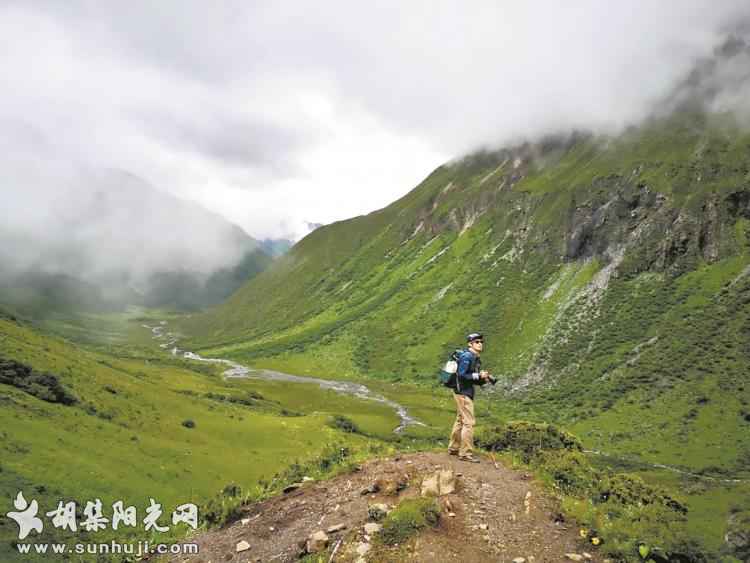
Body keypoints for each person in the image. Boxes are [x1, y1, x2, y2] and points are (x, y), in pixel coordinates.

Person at [448, 332, 492, 463]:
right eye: (477, 342)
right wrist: (478, 376)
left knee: (460, 420)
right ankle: (465, 453)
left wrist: (483, 379)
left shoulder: (475, 357)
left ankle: (454, 448)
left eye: (481, 342)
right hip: (463, 392)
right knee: (469, 422)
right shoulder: (467, 356)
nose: (480, 344)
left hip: (463, 391)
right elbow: (462, 375)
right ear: (470, 344)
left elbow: (470, 377)